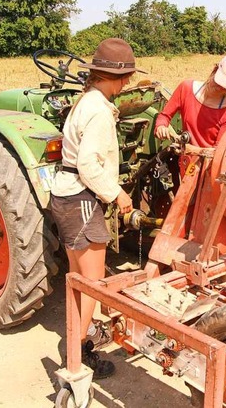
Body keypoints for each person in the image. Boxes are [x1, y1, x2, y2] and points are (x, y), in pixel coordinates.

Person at [50, 38, 143, 379]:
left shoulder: (84, 101)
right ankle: (78, 354)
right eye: (126, 78)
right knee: (93, 282)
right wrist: (116, 194)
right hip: (82, 199)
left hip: (65, 194)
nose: (128, 84)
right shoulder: (100, 111)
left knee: (78, 281)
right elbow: (89, 164)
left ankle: (77, 338)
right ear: (115, 78)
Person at [154, 54, 226, 147]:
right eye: (219, 82)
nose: (220, 88)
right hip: (184, 158)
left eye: (225, 86)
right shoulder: (186, 89)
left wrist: (192, 150)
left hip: (209, 160)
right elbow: (164, 116)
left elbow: (219, 151)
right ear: (214, 70)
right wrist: (161, 126)